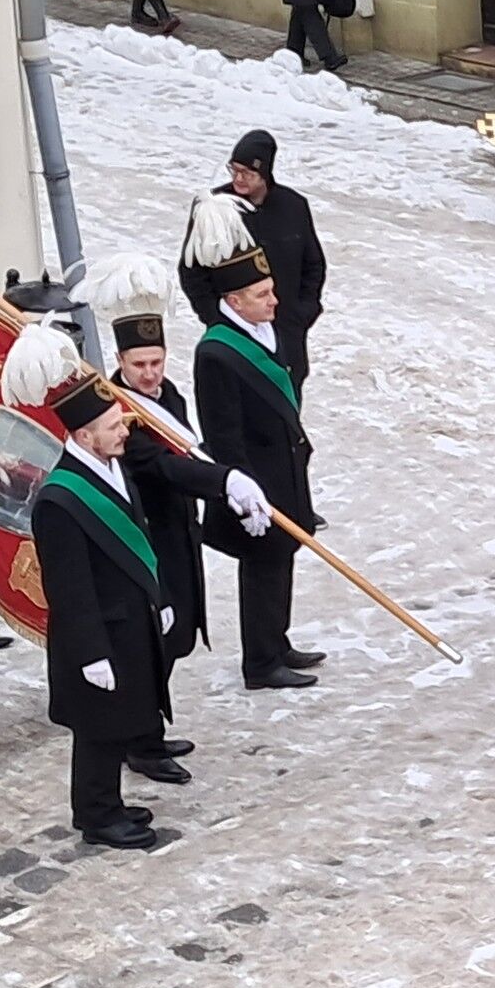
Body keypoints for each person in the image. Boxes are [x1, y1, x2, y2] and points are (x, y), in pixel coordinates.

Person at [77, 254, 273, 782]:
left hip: (178, 535)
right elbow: (161, 466)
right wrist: (224, 481)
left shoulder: (169, 396)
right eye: (139, 365)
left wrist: (226, 482)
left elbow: (189, 450)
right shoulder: (118, 411)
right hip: (143, 541)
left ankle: (151, 728)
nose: (149, 374)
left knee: (177, 635)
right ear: (121, 360)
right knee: (149, 644)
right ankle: (139, 742)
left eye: (156, 362)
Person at [22, 350, 172, 851]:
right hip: (98, 636)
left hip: (128, 622)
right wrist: (91, 653)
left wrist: (160, 595)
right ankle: (96, 815)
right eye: (114, 426)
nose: (124, 432)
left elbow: (138, 537)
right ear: (84, 436)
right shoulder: (60, 500)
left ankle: (109, 801)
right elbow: (69, 587)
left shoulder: (109, 468)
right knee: (98, 730)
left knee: (121, 718)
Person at [182, 193, 319, 691]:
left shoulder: (263, 331)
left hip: (284, 467)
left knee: (283, 557)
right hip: (255, 478)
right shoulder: (217, 352)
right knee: (262, 565)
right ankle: (260, 663)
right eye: (263, 295)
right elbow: (223, 433)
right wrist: (242, 491)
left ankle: (277, 641)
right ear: (234, 301)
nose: (274, 301)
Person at [178, 131, 328, 400]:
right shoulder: (214, 208)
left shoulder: (294, 206)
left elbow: (314, 265)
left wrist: (303, 312)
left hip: (286, 333)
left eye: (247, 173)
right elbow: (192, 272)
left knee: (286, 412)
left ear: (266, 173)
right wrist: (216, 319)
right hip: (235, 334)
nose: (238, 178)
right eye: (234, 170)